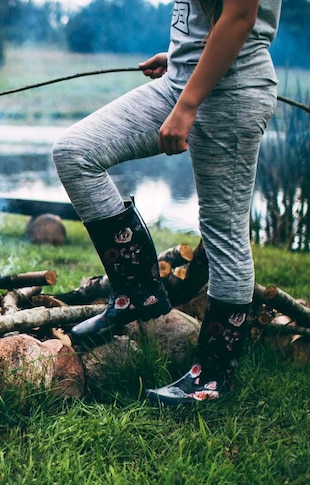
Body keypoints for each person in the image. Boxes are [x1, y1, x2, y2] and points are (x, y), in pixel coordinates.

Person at [51, 0, 280, 405]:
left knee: (223, 231)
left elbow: (242, 16)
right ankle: (136, 292)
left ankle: (211, 377)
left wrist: (189, 104)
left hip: (231, 92)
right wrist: (183, 57)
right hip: (182, 80)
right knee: (75, 151)